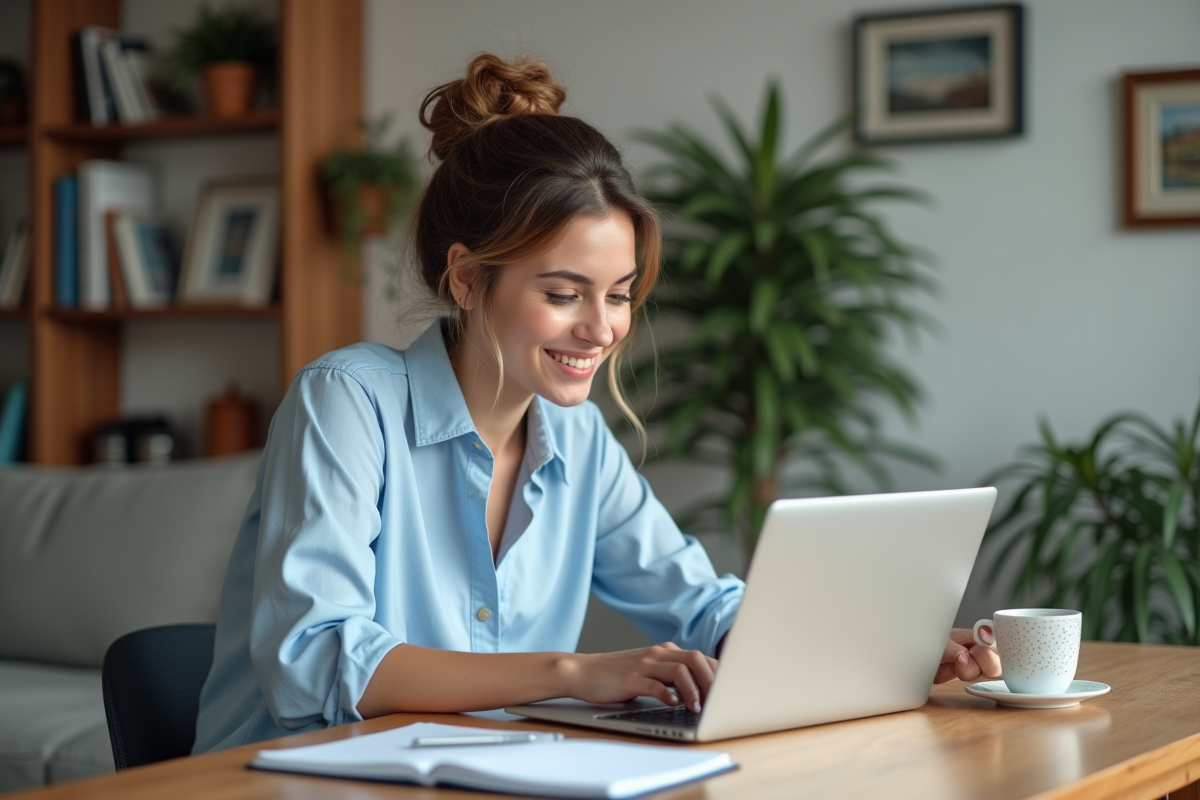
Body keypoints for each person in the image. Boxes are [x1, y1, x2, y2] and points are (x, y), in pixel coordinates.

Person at [192, 53, 1000, 754]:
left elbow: (702, 606)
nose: (601, 327)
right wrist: (576, 674)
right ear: (467, 278)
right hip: (282, 781)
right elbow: (314, 656)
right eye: (563, 292)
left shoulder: (572, 438)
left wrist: (889, 650)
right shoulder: (348, 402)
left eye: (617, 295)